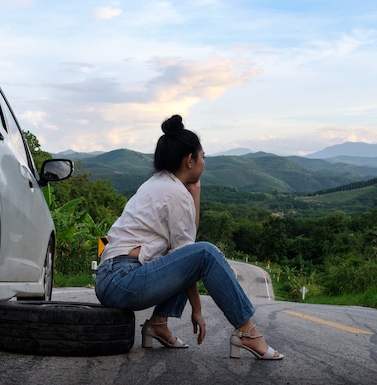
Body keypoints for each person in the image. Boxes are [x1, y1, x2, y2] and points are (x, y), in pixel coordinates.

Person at [94, 115, 284, 360]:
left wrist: (195, 193)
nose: (204, 162)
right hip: (123, 279)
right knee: (206, 252)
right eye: (202, 156)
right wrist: (197, 308)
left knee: (193, 253)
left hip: (113, 278)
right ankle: (247, 331)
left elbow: (184, 249)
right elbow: (193, 254)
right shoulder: (174, 192)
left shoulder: (159, 183)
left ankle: (159, 324)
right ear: (190, 160)